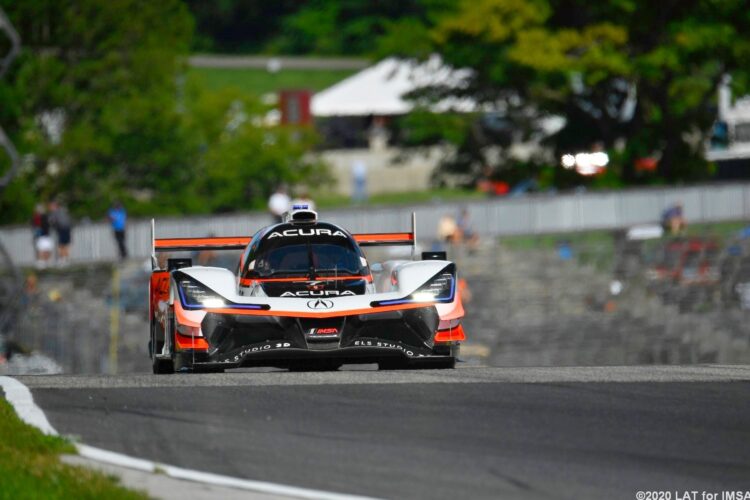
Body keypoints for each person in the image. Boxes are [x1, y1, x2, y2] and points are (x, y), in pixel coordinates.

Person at [49, 200, 72, 266]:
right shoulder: (63, 211)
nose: (50, 208)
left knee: (61, 245)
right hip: (67, 228)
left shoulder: (55, 212)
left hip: (62, 229)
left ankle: (63, 259)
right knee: (66, 244)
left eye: (51, 206)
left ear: (55, 206)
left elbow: (51, 221)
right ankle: (66, 259)